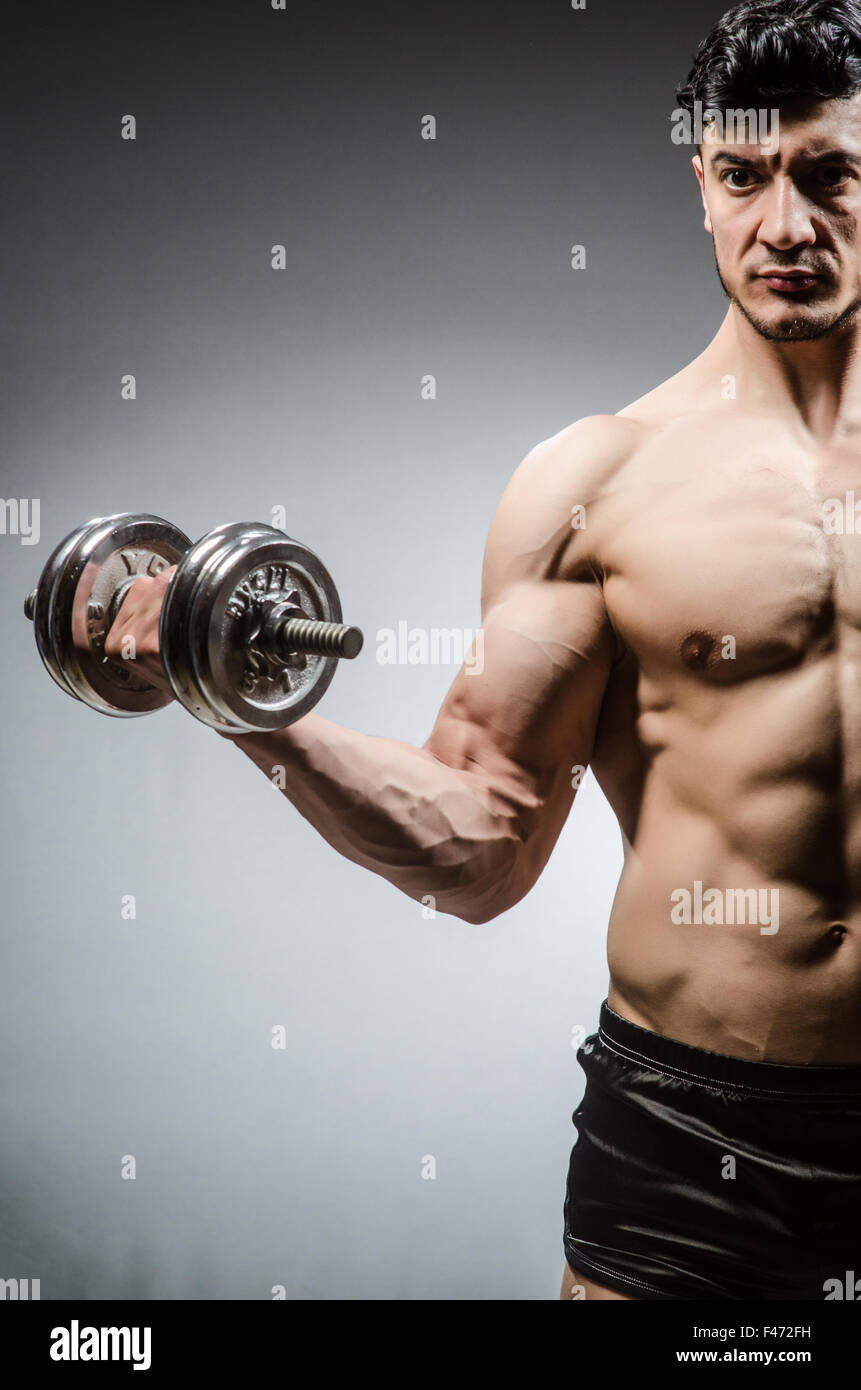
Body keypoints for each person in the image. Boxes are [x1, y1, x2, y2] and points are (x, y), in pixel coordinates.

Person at [104, 0, 861, 1301]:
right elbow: (481, 848)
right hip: (693, 1151)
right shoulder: (595, 486)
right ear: (698, 181)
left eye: (829, 173)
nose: (783, 226)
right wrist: (235, 698)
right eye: (744, 176)